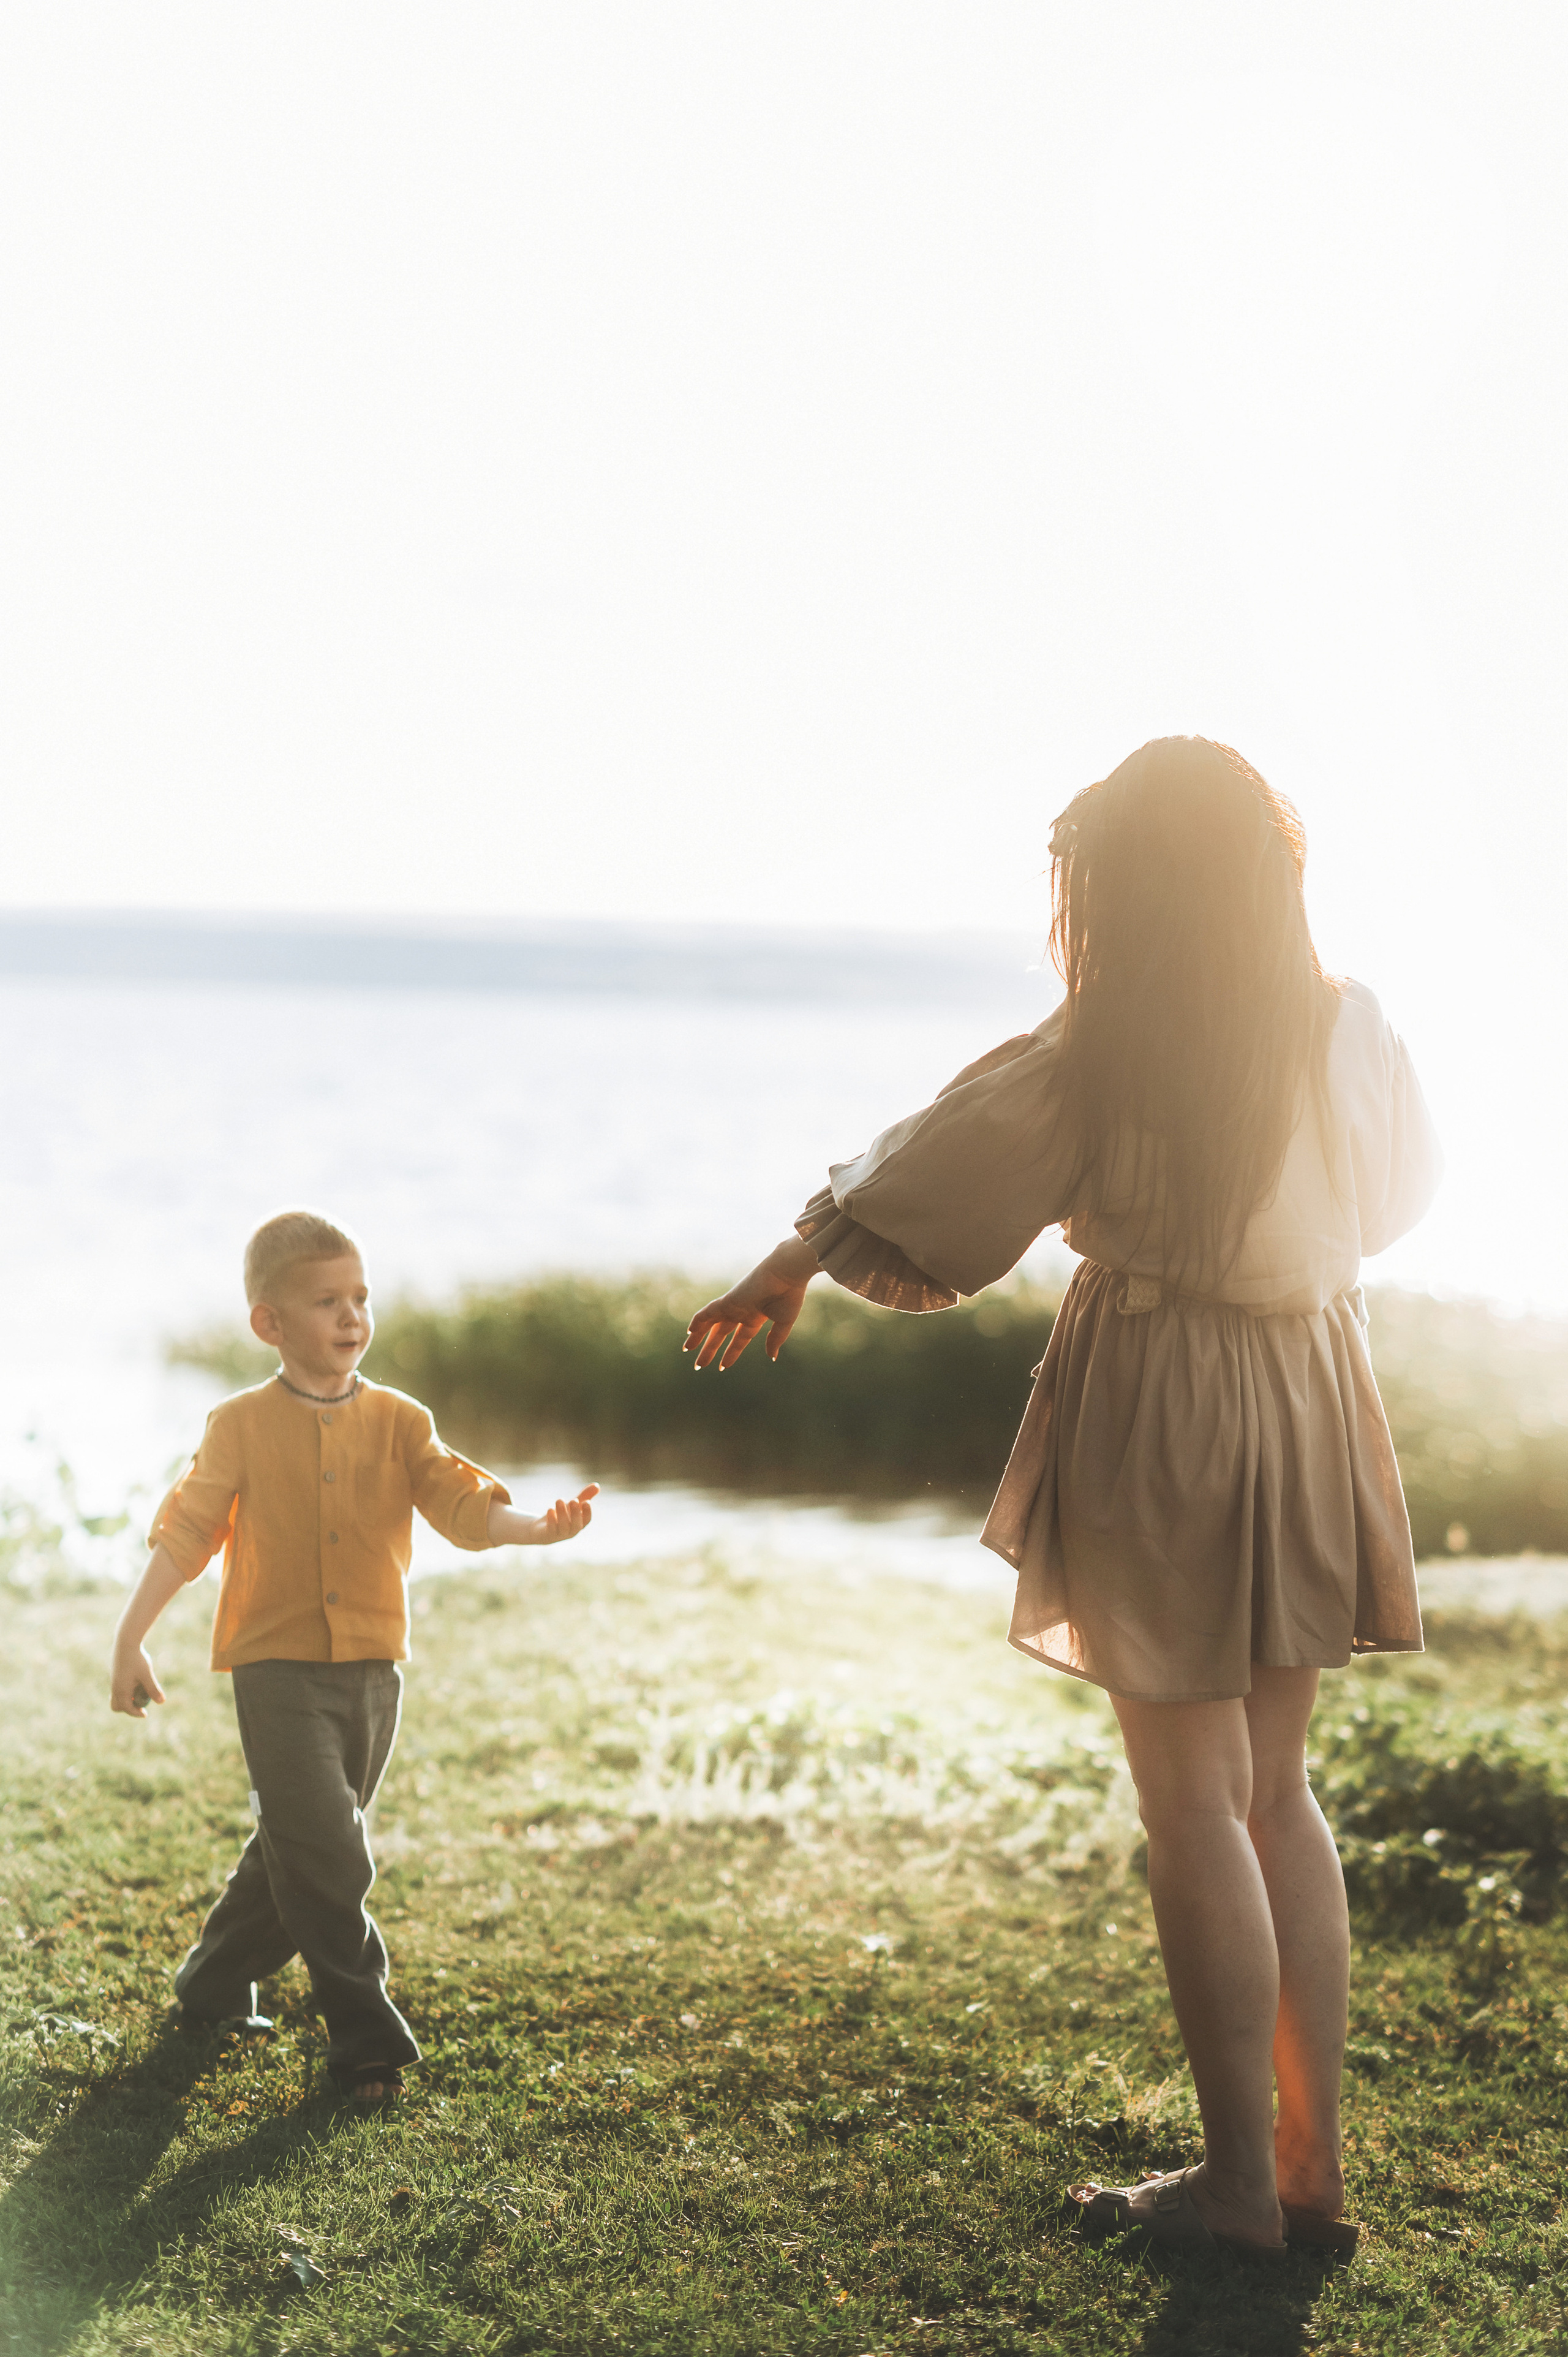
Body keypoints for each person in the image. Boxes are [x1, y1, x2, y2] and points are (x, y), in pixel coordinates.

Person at [684, 736, 1440, 2259]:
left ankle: (1234, 2193)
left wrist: (797, 1252)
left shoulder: (1103, 1043)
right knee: (1273, 1789)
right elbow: (1396, 1195)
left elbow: (942, 1173)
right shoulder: (1343, 1022)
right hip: (1306, 1381)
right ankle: (1304, 2174)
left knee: (1189, 1806)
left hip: (1161, 1388)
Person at [109, 1208, 598, 2108]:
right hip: (274, 1670)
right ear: (270, 1323)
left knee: (295, 1850)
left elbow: (459, 1500)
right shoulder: (238, 1424)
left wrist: (535, 1527)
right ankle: (367, 2044)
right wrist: (130, 1637)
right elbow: (187, 1536)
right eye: (327, 1301)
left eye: (361, 1298)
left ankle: (212, 1985)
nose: (351, 1317)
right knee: (332, 1855)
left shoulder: (403, 1421)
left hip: (375, 1672)